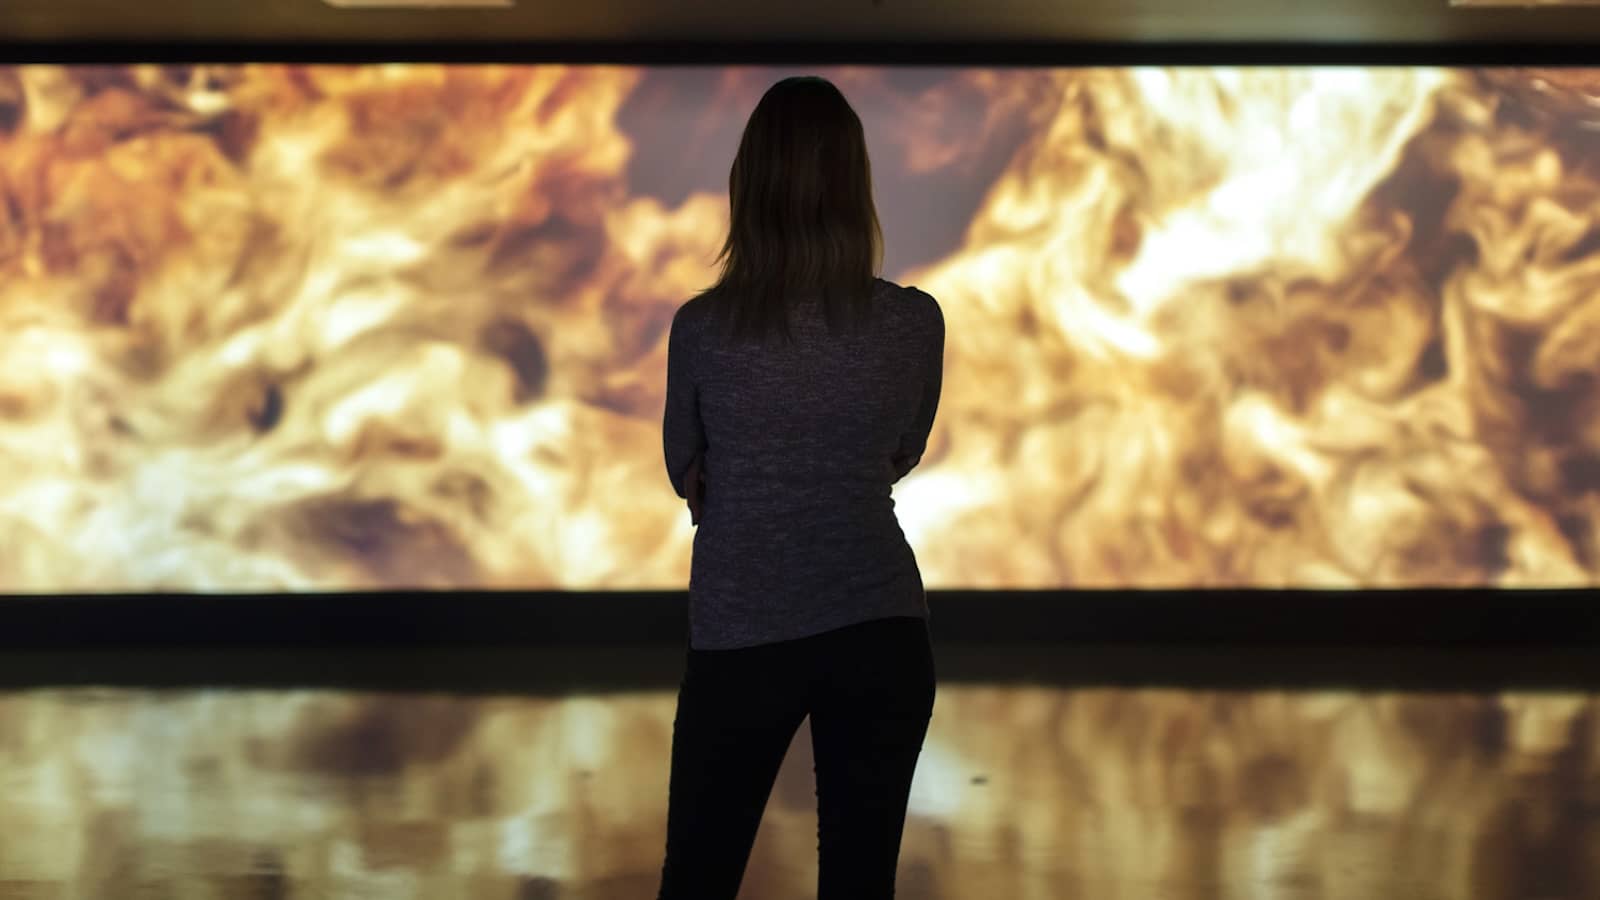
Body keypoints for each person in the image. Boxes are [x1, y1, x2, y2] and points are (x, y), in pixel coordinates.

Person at [656, 75, 945, 900]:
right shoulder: (914, 324)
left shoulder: (704, 329)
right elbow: (901, 451)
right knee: (860, 886)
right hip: (881, 629)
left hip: (742, 635)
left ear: (750, 188)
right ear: (856, 188)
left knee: (698, 882)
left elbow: (689, 469)